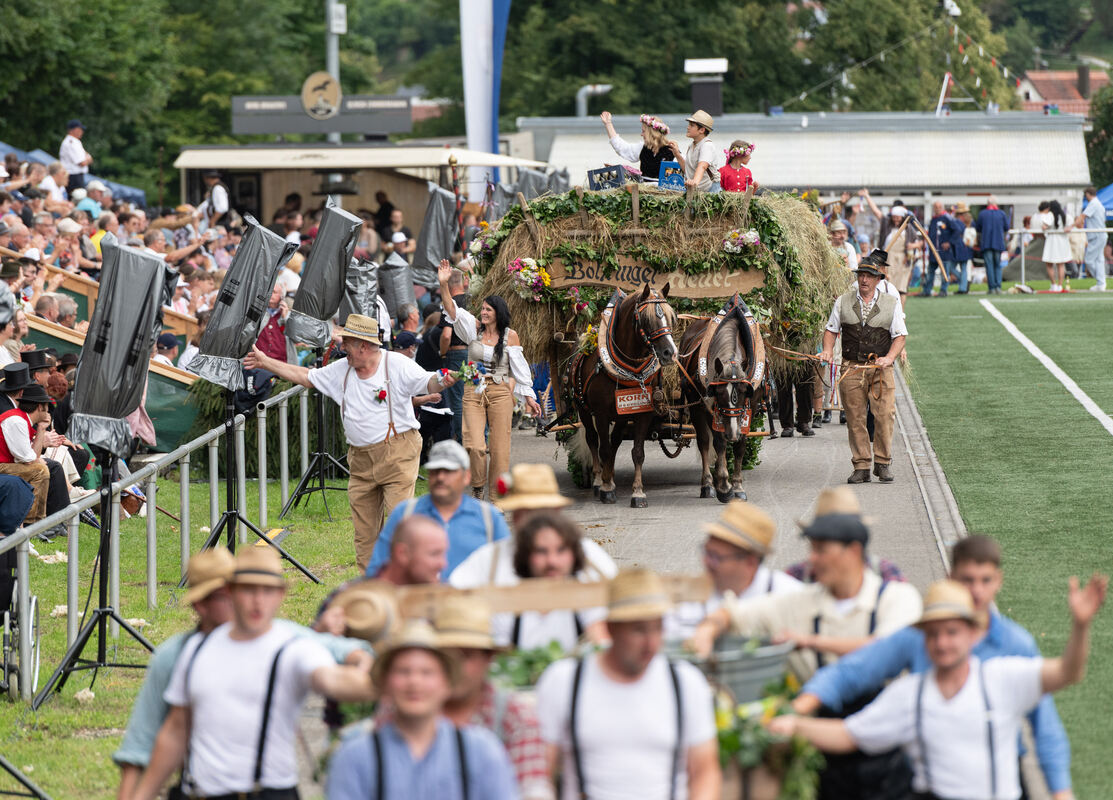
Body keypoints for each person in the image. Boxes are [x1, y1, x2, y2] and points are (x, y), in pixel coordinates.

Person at [769, 575, 1107, 800]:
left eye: (951, 632)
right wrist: (794, 724)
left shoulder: (1001, 678)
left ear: (973, 634)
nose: (942, 643)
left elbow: (1068, 673)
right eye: (933, 634)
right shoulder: (909, 695)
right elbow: (847, 734)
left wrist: (1080, 626)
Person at [132, 548, 376, 800]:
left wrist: (378, 681)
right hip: (196, 792)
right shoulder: (195, 649)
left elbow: (331, 679)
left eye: (268, 591)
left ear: (280, 595)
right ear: (233, 592)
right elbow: (176, 729)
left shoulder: (293, 648)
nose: (258, 601)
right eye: (249, 589)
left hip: (265, 793)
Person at [245, 314, 457, 570]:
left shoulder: (396, 364)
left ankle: (414, 582)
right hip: (360, 461)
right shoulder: (341, 369)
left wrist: (443, 380)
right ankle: (370, 590)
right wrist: (266, 362)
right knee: (365, 535)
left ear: (364, 346)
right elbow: (305, 376)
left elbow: (427, 381)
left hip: (398, 453)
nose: (342, 348)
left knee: (403, 524)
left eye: (347, 343)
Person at [536, 569, 721, 800]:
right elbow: (539, 772)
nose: (651, 643)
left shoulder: (686, 683)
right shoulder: (564, 681)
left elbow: (705, 772)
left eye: (658, 627)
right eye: (639, 630)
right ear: (610, 628)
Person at [688, 501, 922, 677]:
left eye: (820, 550)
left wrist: (809, 641)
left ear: (853, 551)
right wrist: (707, 630)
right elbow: (734, 613)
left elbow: (886, 649)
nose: (811, 559)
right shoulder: (799, 599)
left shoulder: (898, 598)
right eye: (811, 550)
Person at [326, 620, 519, 799]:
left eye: (427, 672)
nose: (414, 682)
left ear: (446, 684)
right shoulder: (356, 757)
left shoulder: (481, 751)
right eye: (403, 671)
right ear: (385, 683)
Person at [425, 598, 553, 800]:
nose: (454, 667)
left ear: (488, 658)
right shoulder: (409, 708)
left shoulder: (514, 716)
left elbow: (533, 791)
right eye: (446, 656)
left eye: (465, 656)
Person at [437, 260, 541, 499]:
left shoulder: (509, 336)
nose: (483, 313)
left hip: (500, 390)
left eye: (488, 310)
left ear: (498, 314)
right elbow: (451, 310)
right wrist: (443, 284)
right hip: (474, 389)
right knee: (474, 444)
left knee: (499, 447)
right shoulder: (473, 329)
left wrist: (529, 398)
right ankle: (477, 485)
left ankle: (496, 495)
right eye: (482, 309)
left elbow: (520, 369)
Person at [453, 508, 616, 650]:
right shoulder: (492, 562)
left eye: (561, 550)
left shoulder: (588, 576)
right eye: (541, 551)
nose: (552, 561)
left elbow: (602, 637)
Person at [819, 249, 907, 484]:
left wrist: (889, 358)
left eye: (868, 276)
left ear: (878, 279)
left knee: (885, 415)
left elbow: (900, 336)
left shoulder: (892, 302)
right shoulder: (843, 301)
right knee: (855, 417)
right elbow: (831, 330)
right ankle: (861, 466)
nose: (863, 280)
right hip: (851, 367)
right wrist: (827, 350)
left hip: (880, 369)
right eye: (861, 275)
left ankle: (883, 463)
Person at [367, 439, 510, 578]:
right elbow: (377, 572)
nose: (440, 477)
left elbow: (508, 572)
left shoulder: (489, 518)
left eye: (448, 471)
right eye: (435, 471)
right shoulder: (405, 514)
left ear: (466, 477)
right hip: (417, 600)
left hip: (474, 601)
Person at [665, 500, 803, 640]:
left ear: (750, 562)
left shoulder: (790, 595)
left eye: (716, 557)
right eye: (707, 552)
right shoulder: (684, 599)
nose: (706, 562)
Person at [598, 111, 678, 181]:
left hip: (661, 195)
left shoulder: (672, 152)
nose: (641, 134)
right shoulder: (643, 148)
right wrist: (608, 124)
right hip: (643, 193)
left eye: (643, 131)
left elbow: (674, 181)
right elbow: (622, 148)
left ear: (652, 134)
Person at [376, 513, 450, 586]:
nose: (443, 564)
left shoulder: (444, 592)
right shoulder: (367, 595)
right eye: (434, 554)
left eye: (443, 554)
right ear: (402, 553)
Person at [670, 110, 718, 193]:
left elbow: (702, 166)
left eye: (692, 125)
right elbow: (688, 171)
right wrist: (677, 154)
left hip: (710, 191)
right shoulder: (691, 145)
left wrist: (694, 182)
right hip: (696, 191)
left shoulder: (707, 145)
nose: (688, 127)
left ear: (702, 130)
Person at [1074, 185, 1107, 291]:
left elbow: (1082, 217)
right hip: (1099, 235)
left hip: (1097, 235)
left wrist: (1071, 226)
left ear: (1088, 194)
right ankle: (1101, 284)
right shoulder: (1099, 204)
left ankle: (1100, 281)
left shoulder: (1093, 204)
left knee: (1089, 260)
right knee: (1099, 260)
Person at [975, 195, 1010, 295]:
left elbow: (978, 228)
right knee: (997, 266)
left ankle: (992, 287)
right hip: (998, 243)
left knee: (989, 266)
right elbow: (1006, 227)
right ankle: (998, 286)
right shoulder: (1001, 214)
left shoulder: (982, 214)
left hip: (986, 243)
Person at [921, 201, 953, 297]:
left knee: (944, 272)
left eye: (939, 207)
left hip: (944, 252)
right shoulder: (933, 220)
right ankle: (927, 290)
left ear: (942, 207)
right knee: (930, 272)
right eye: (935, 207)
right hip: (933, 252)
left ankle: (943, 290)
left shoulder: (947, 218)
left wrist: (949, 242)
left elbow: (956, 231)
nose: (937, 208)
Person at [1041, 200, 1072, 292]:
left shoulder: (1050, 215)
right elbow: (1070, 226)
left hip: (1052, 241)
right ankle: (1060, 285)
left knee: (1049, 263)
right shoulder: (1065, 215)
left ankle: (1053, 284)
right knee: (1061, 264)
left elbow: (1044, 226)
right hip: (1062, 241)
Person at [59, 119, 93, 192]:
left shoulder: (75, 141)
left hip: (75, 176)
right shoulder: (71, 142)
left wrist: (87, 158)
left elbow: (86, 156)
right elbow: (82, 162)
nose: (82, 132)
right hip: (73, 176)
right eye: (80, 129)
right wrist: (88, 159)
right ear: (73, 130)